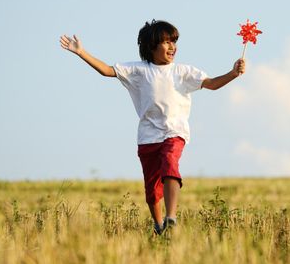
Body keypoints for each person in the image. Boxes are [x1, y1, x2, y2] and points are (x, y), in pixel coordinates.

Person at [59, 20, 245, 235]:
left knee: (170, 164)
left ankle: (171, 217)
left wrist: (232, 73)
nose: (172, 46)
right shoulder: (139, 70)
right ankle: (159, 227)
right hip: (147, 137)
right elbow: (107, 71)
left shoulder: (183, 71)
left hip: (174, 132)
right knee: (151, 189)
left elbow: (211, 84)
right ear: (151, 46)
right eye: (166, 42)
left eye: (174, 41)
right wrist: (81, 52)